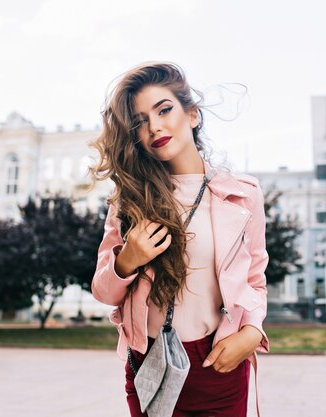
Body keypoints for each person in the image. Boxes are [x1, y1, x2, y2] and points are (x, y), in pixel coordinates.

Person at [89, 61, 269, 417]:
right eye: (140, 121)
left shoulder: (243, 194)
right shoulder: (129, 200)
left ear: (193, 115)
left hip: (220, 362)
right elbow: (104, 292)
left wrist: (251, 332)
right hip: (151, 365)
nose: (154, 126)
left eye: (164, 109)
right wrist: (128, 259)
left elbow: (255, 280)